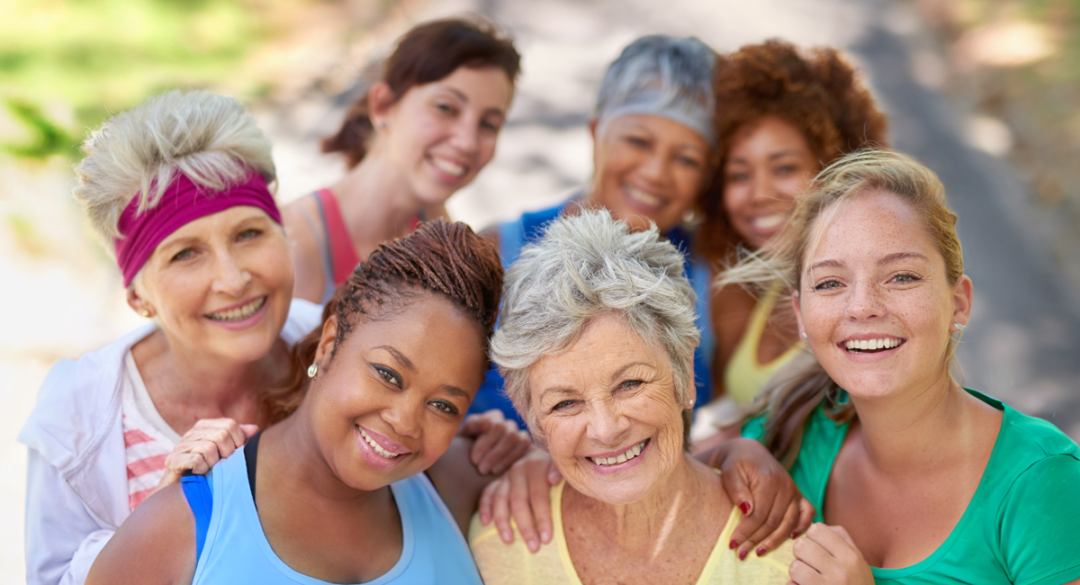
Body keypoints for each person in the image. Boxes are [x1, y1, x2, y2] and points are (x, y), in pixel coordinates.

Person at [18, 90, 526, 585]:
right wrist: (165, 521)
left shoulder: (328, 339)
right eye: (185, 254)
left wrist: (483, 438)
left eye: (249, 234)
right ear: (138, 298)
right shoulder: (82, 416)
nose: (234, 278)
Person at [87, 220, 509, 584]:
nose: (404, 422)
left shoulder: (463, 483)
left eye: (444, 406)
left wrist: (525, 466)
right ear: (328, 345)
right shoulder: (178, 528)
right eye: (387, 374)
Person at [729, 150, 1080, 583]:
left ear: (959, 303)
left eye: (901, 276)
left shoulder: (1041, 481)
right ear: (801, 315)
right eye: (830, 283)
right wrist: (735, 451)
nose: (861, 307)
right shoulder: (796, 433)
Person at [469, 210, 797, 584]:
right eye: (565, 403)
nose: (607, 430)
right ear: (530, 417)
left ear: (685, 372)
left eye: (630, 384)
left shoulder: (794, 565)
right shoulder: (495, 551)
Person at [472, 33, 720, 425]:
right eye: (638, 141)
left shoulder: (713, 283)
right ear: (594, 134)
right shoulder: (495, 251)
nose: (655, 173)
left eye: (687, 159)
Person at [692, 40, 889, 442]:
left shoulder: (864, 303)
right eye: (739, 174)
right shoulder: (768, 289)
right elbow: (747, 419)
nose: (758, 193)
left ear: (832, 168)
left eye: (783, 167)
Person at [285, 16, 520, 304]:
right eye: (446, 107)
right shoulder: (294, 241)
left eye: (489, 124)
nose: (467, 141)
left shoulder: (434, 224)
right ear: (382, 106)